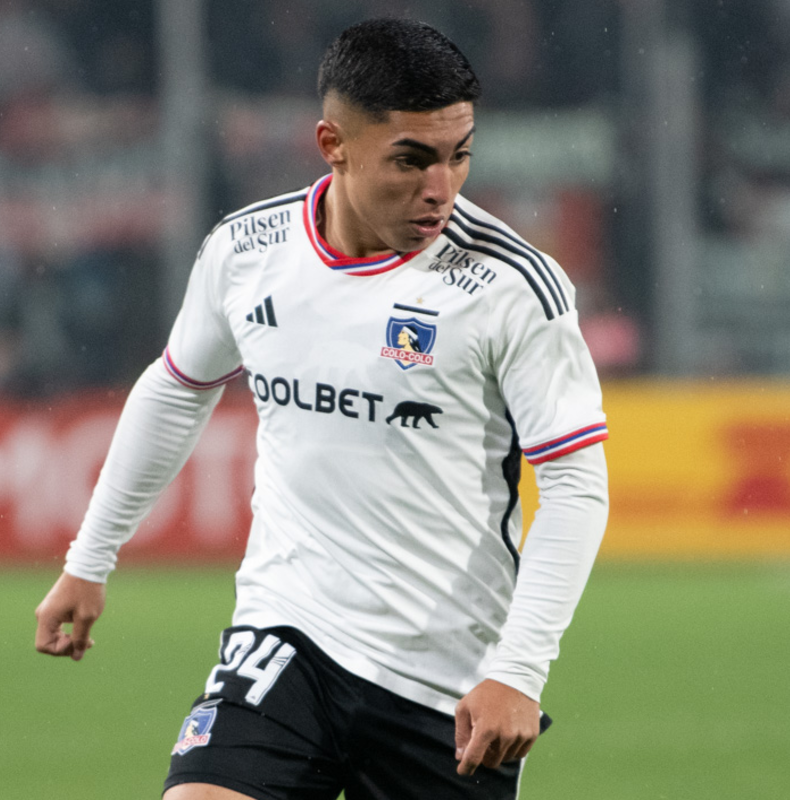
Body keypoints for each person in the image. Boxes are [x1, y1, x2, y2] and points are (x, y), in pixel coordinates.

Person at [34, 17, 609, 800]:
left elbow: (575, 486)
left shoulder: (512, 286)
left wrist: (518, 670)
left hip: (445, 685)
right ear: (332, 144)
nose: (441, 187)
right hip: (285, 637)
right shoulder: (247, 252)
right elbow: (175, 389)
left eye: (459, 155)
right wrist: (89, 558)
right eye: (410, 160)